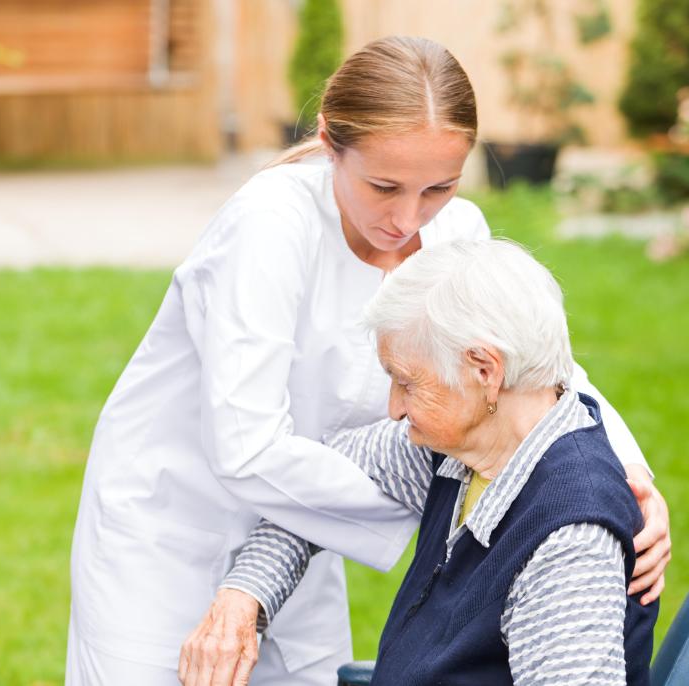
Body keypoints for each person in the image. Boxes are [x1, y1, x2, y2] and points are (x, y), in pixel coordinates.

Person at [65, 36, 670, 686]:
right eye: (384, 185)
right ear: (330, 142)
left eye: (438, 186)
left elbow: (542, 374)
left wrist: (627, 480)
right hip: (170, 528)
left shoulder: (456, 233)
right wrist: (450, 492)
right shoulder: (269, 226)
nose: (408, 218)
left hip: (303, 516)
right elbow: (245, 450)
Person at [181, 239, 659, 685]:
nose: (394, 408)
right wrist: (243, 598)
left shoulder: (567, 542)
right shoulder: (458, 451)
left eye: (407, 382)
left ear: (485, 371)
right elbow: (307, 492)